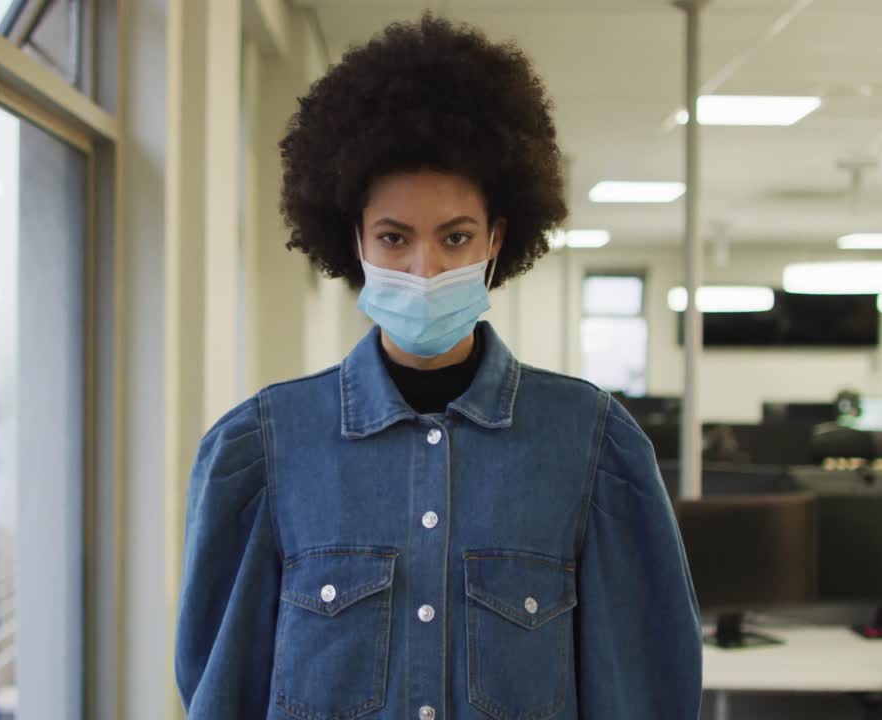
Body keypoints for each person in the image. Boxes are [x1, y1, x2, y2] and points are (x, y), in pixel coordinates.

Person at [174, 13, 701, 719]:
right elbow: (220, 695)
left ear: (497, 239)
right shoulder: (263, 450)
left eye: (455, 237)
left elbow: (642, 691)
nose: (425, 268)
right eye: (394, 237)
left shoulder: (591, 447)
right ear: (353, 239)